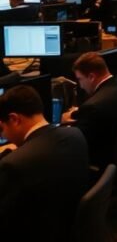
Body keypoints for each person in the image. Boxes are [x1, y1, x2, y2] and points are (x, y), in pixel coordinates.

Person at [0, 85, 90, 242]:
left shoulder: (14, 165)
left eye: (1, 129)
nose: (4, 135)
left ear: (14, 119)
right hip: (71, 225)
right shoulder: (74, 134)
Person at [61, 52, 117, 168]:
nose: (81, 86)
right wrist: (76, 113)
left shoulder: (93, 106)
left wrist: (64, 126)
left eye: (80, 79)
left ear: (91, 77)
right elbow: (106, 107)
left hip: (105, 165)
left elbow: (77, 143)